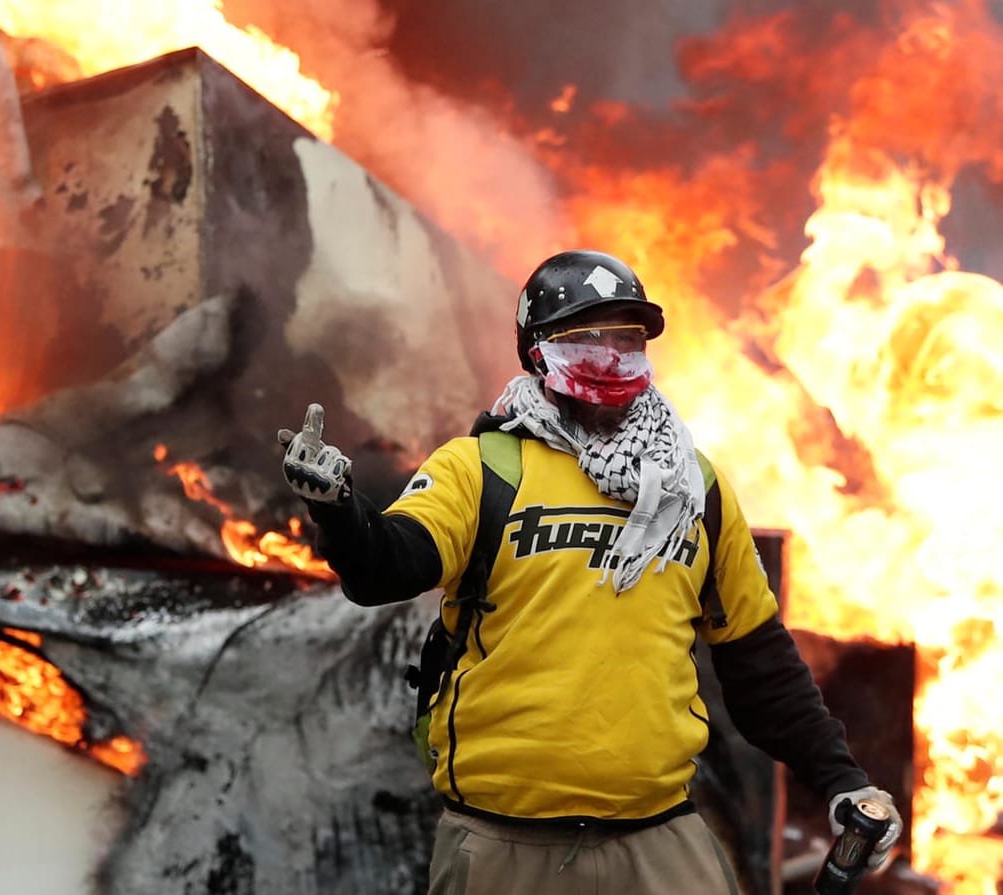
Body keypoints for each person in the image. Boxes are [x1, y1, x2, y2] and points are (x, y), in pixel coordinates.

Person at [277, 249, 902, 895]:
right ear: (537, 352)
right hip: (504, 846)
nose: (609, 355)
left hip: (657, 841)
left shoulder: (695, 486)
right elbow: (386, 567)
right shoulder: (480, 467)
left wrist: (841, 780)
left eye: (625, 337)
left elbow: (758, 661)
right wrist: (340, 510)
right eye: (584, 338)